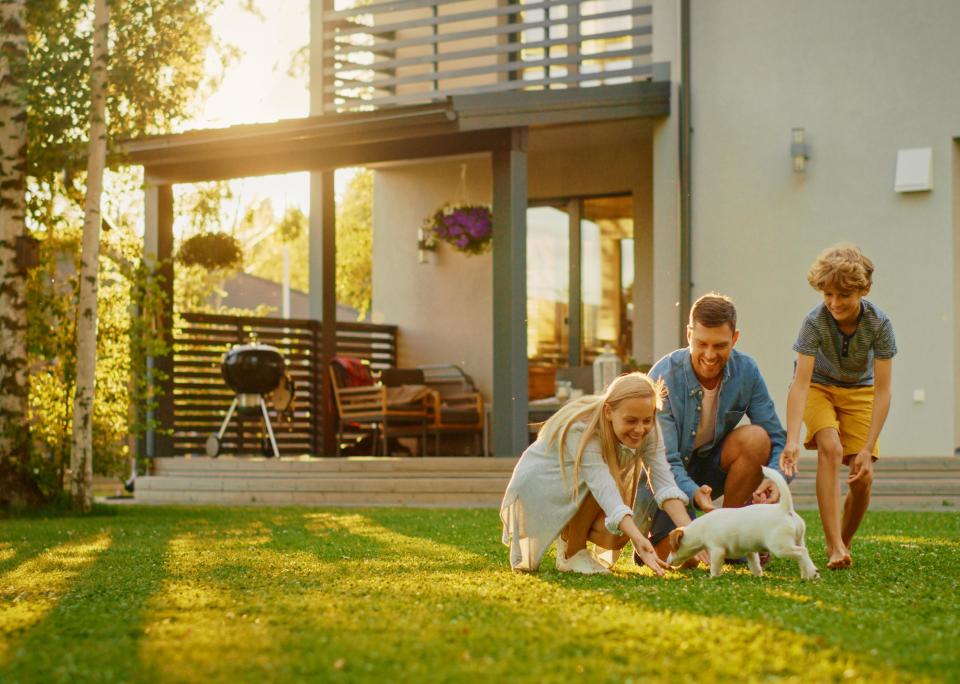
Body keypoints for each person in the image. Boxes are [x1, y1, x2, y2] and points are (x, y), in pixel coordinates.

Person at [500, 372, 697, 575]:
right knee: (611, 497)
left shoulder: (649, 428)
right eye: (631, 420)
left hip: (576, 485)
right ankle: (572, 553)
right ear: (608, 411)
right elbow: (602, 486)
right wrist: (639, 539)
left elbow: (664, 484)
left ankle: (568, 542)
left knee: (616, 535)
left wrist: (695, 536)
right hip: (540, 486)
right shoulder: (583, 430)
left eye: (647, 420)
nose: (640, 429)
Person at [646, 293, 788, 562]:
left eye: (720, 345)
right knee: (686, 558)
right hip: (666, 477)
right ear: (689, 335)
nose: (710, 355)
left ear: (735, 339)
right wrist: (692, 492)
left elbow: (775, 437)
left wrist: (777, 479)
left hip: (710, 467)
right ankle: (656, 544)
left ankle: (731, 537)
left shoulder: (747, 371)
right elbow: (664, 461)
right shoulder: (663, 376)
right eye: (701, 343)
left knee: (756, 438)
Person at [780, 244, 895, 570]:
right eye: (828, 294)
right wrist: (792, 439)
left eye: (843, 295)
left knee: (862, 478)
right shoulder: (814, 322)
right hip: (819, 387)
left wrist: (869, 446)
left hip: (860, 391)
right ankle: (833, 546)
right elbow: (800, 383)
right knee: (829, 446)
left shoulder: (879, 324)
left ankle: (843, 544)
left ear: (864, 289)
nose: (834, 303)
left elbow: (883, 390)